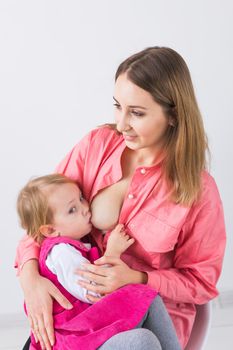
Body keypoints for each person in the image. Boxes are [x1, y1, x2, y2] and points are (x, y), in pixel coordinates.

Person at [15, 46, 226, 350]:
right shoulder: (96, 146)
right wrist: (30, 279)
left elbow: (201, 282)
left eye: (137, 113)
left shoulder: (199, 191)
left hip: (152, 323)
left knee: (142, 342)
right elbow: (43, 218)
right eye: (118, 106)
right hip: (79, 318)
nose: (121, 123)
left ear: (173, 116)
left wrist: (139, 279)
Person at [17, 173, 181, 350]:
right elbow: (95, 291)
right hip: (75, 340)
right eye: (72, 210)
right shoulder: (61, 253)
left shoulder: (71, 246)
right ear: (50, 230)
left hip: (87, 330)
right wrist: (112, 252)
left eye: (81, 198)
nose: (85, 208)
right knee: (142, 333)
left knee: (146, 300)